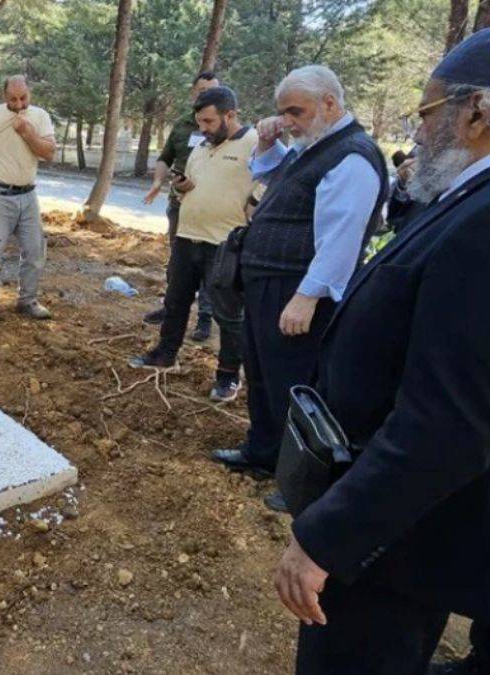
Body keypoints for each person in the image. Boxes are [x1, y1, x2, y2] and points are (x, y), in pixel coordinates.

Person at [272, 29, 490, 673]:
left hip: (392, 543)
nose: (416, 132)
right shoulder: (464, 198)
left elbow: (448, 422)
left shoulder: (483, 223)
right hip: (402, 518)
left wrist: (328, 539)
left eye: (426, 113)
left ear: (478, 110)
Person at [211, 66, 389, 508]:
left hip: (296, 291)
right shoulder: (318, 147)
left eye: (296, 111)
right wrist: (271, 143)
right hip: (271, 285)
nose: (287, 120)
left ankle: (300, 483)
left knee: (294, 383)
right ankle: (262, 452)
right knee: (264, 375)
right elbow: (274, 181)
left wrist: (307, 296)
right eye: (282, 112)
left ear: (329, 103)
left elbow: (342, 237)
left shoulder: (351, 155)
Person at [128, 86, 255, 403]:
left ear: (231, 115)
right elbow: (192, 187)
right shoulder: (201, 146)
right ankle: (165, 354)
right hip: (187, 236)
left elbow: (269, 183)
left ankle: (227, 377)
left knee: (228, 314)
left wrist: (253, 207)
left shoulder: (254, 144)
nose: (203, 129)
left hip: (225, 244)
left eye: (209, 122)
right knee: (176, 300)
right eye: (200, 122)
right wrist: (183, 186)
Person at [0, 75, 57, 325]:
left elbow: (48, 152)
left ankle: (27, 300)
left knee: (35, 250)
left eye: (23, 98)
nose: (18, 104)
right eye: (13, 99)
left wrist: (28, 134)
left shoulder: (40, 117)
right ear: (4, 97)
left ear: (30, 94)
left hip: (28, 195)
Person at [142, 71, 223, 343]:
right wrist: (157, 182)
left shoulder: (226, 128)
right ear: (193, 93)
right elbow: (166, 158)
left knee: (209, 266)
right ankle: (171, 309)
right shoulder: (181, 125)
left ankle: (204, 319)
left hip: (213, 213)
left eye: (212, 90)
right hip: (180, 206)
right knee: (179, 262)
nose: (206, 95)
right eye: (202, 91)